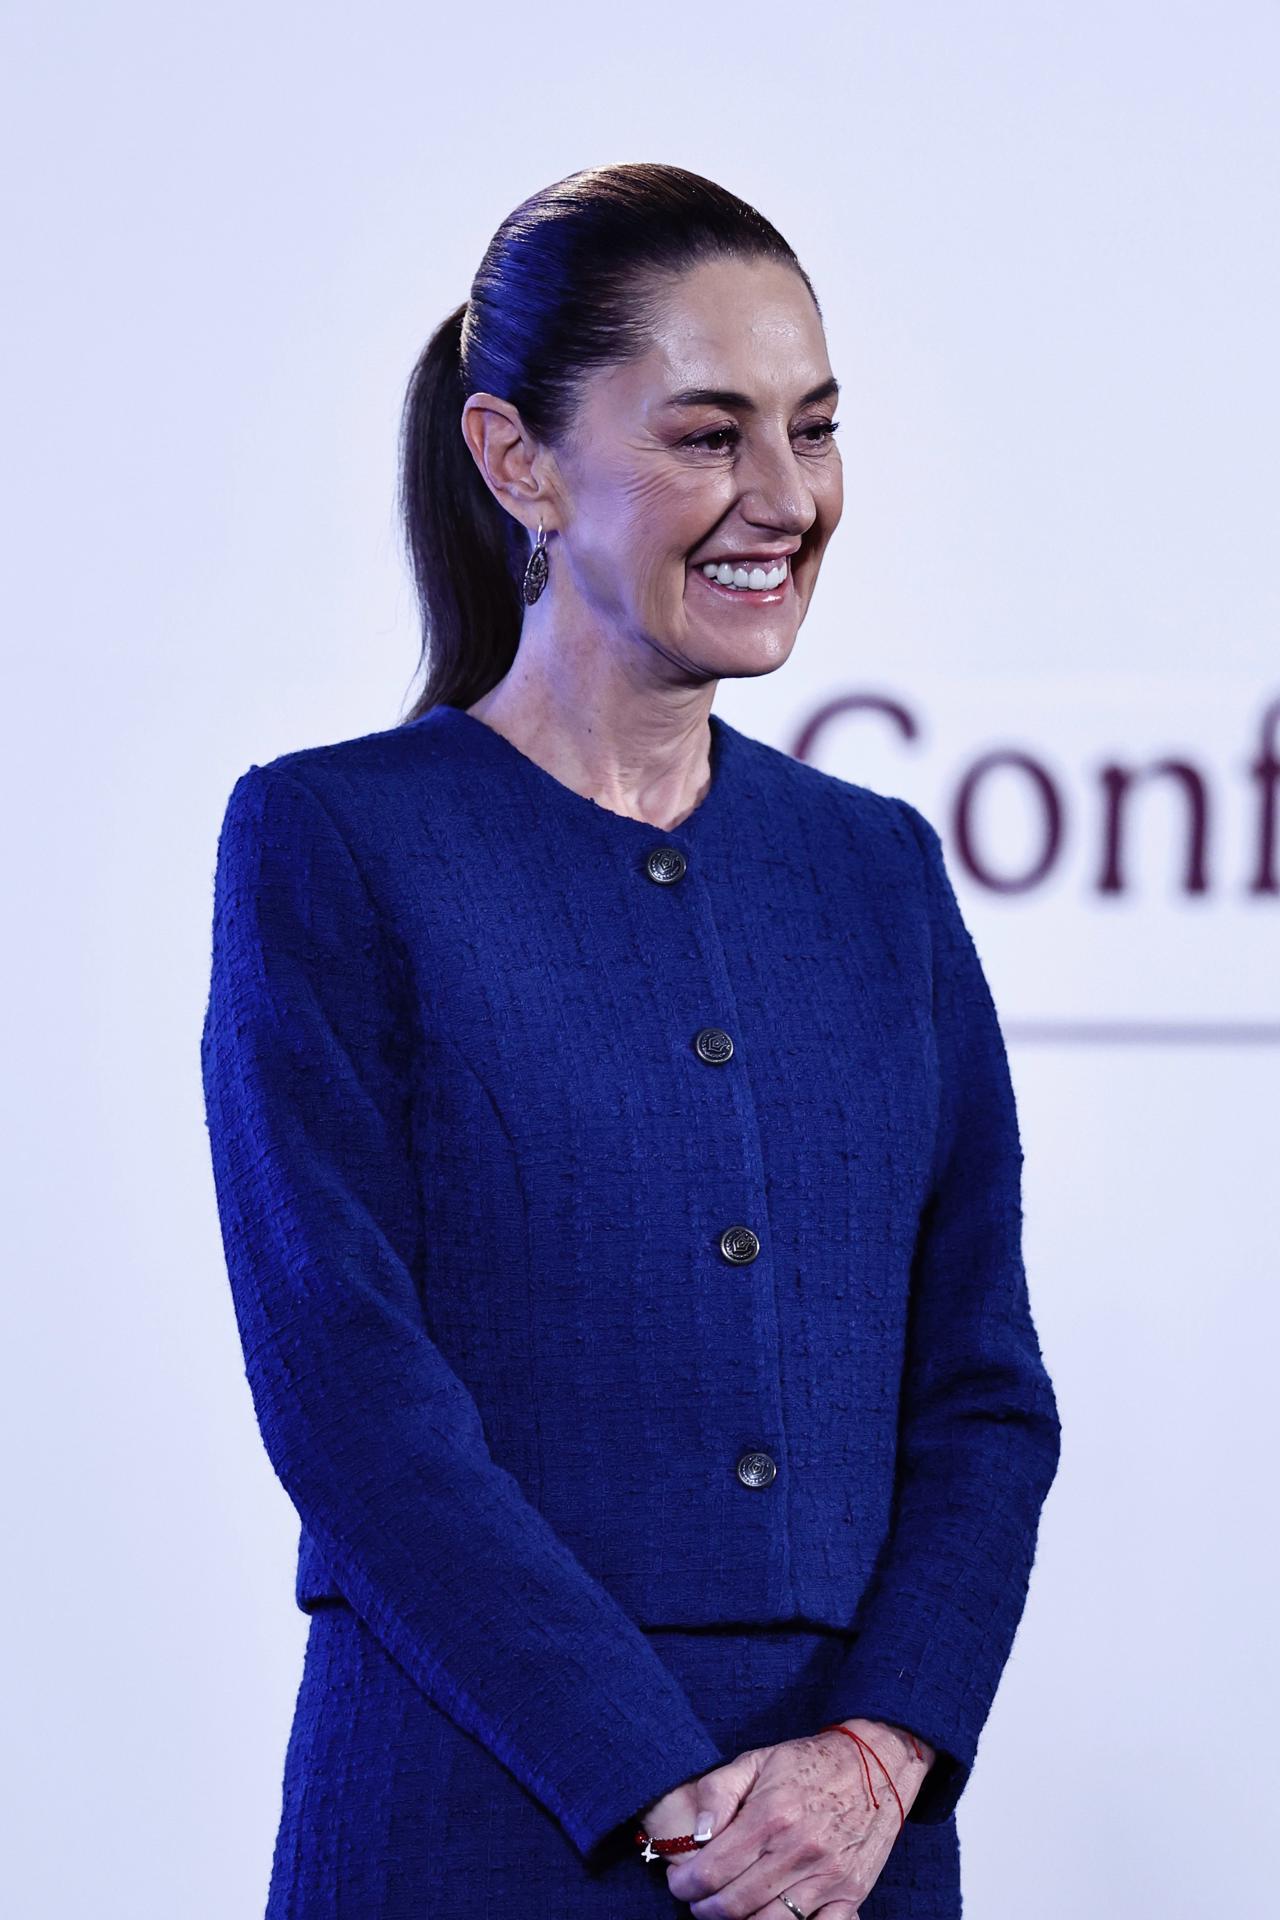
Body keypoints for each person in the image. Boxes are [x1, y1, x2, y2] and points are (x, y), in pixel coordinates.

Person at [200, 161, 1061, 1920]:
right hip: (477, 1814)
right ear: (518, 460)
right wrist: (668, 1796)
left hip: (849, 1853)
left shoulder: (878, 872)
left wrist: (873, 1761)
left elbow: (982, 1394)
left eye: (814, 430)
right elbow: (350, 1402)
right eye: (706, 435)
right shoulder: (334, 842)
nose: (785, 496)